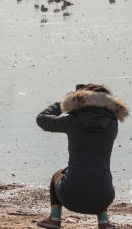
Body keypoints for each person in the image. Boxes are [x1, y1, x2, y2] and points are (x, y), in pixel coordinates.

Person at [35, 84, 127, 229]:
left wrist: (63, 104)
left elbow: (42, 120)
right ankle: (104, 222)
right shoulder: (112, 124)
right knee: (99, 175)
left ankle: (55, 218)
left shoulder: (72, 120)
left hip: (70, 197)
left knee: (57, 175)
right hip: (103, 198)